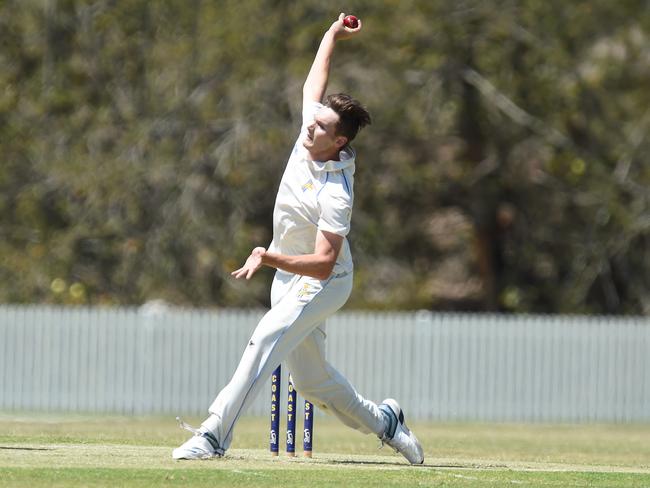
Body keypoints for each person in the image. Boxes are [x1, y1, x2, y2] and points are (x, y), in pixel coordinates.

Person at [172, 13, 424, 465]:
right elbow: (316, 81)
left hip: (326, 280)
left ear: (339, 141)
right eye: (313, 121)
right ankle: (387, 421)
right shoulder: (312, 131)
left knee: (265, 337)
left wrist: (269, 256)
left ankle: (213, 435)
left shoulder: (336, 193)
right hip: (291, 275)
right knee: (312, 383)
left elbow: (325, 262)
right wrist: (331, 34)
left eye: (321, 127)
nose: (309, 127)